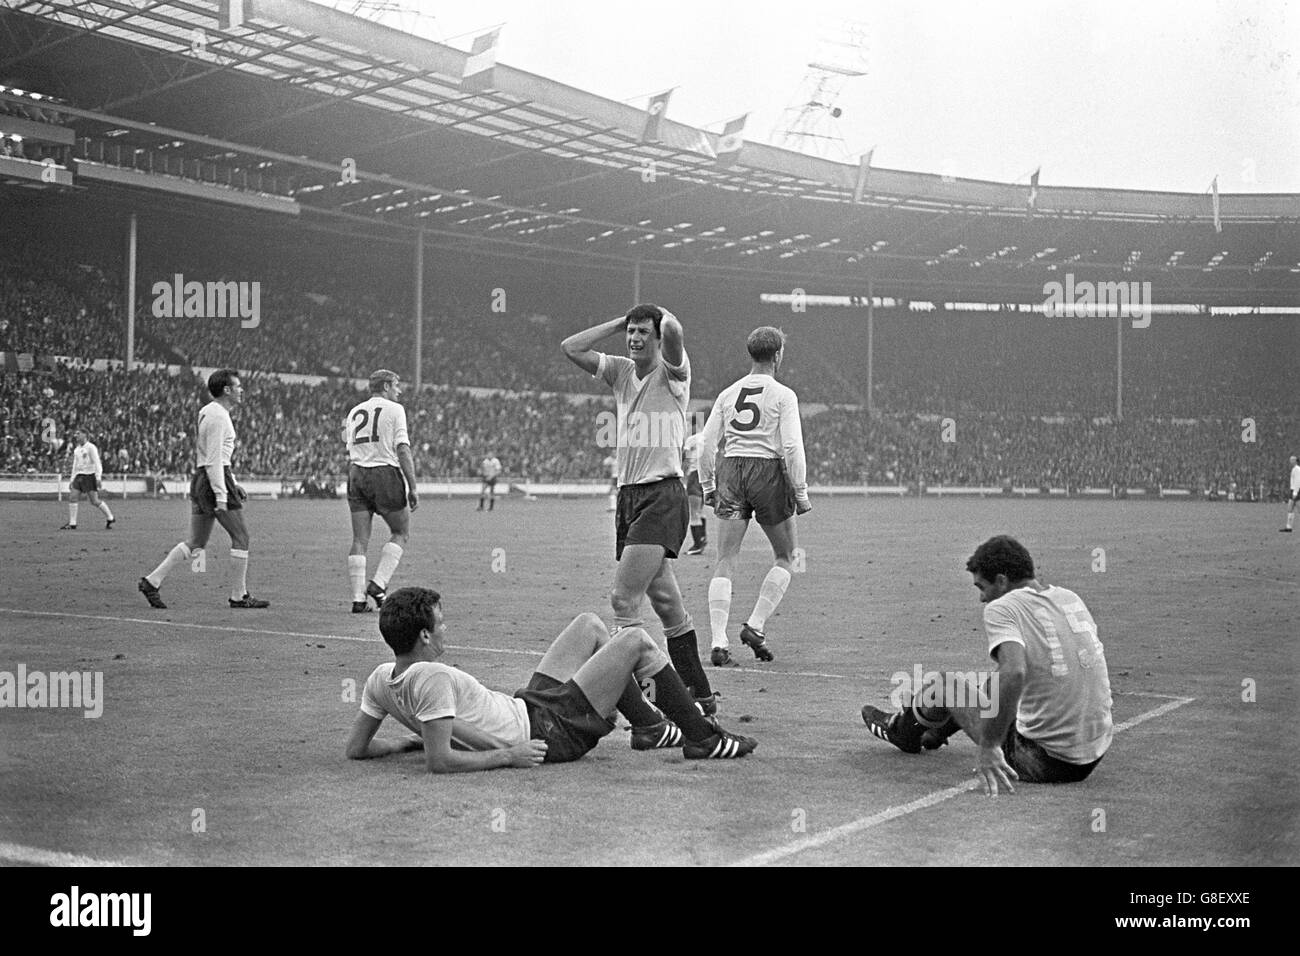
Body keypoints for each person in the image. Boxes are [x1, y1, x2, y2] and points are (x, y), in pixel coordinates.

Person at [344, 587, 757, 770]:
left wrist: (405, 739)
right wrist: (509, 755)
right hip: (547, 730)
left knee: (590, 625)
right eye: (441, 623)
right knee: (634, 641)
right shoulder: (431, 675)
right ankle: (702, 737)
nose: (447, 629)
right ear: (423, 636)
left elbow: (357, 749)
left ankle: (648, 728)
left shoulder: (381, 678)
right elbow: (441, 761)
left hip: (528, 706)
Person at [860, 535, 1113, 796]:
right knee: (993, 681)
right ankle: (935, 731)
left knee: (946, 684)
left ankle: (903, 730)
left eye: (982, 587)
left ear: (1002, 581)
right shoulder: (1068, 597)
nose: (982, 598)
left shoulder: (1003, 607)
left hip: (1045, 760)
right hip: (1092, 754)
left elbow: (1015, 672)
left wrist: (989, 745)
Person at [561, 304, 717, 716]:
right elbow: (570, 347)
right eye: (630, 331)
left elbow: (677, 330)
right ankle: (699, 695)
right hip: (629, 497)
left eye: (642, 332)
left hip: (661, 495)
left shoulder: (674, 373)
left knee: (622, 601)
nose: (634, 338)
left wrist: (662, 316)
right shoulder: (619, 370)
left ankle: (643, 712)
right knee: (668, 606)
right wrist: (616, 323)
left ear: (658, 335)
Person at [698, 327, 811, 666]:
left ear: (751, 355)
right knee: (786, 556)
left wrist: (707, 485)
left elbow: (706, 444)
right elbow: (791, 445)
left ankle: (719, 641)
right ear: (777, 355)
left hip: (732, 470)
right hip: (767, 472)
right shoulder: (783, 395)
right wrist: (801, 491)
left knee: (725, 558)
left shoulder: (727, 394)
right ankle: (756, 625)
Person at [138, 369, 269, 610]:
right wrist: (222, 493)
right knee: (241, 537)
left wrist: (233, 482)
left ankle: (151, 581)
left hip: (202, 478)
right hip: (212, 479)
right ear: (227, 390)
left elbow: (214, 457)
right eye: (238, 386)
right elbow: (215, 459)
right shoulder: (219, 416)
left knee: (197, 542)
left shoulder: (208, 412)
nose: (242, 390)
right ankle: (239, 595)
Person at [344, 370, 418, 613]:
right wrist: (412, 486)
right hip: (384, 473)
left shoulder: (355, 411)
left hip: (356, 473)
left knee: (359, 540)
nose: (399, 390)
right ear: (386, 386)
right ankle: (378, 584)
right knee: (400, 531)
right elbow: (403, 449)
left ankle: (357, 599)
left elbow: (351, 446)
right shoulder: (395, 409)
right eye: (397, 385)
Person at [61, 429, 115, 530]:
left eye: (79, 434)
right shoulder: (77, 449)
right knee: (72, 497)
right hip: (79, 476)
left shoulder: (91, 447)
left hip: (89, 476)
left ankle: (110, 517)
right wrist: (72, 480)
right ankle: (73, 524)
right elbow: (75, 466)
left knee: (94, 501)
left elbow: (97, 463)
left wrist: (98, 477)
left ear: (85, 435)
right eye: (76, 434)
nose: (76, 436)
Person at [682, 415, 707, 555]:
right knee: (700, 510)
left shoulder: (691, 439)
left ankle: (697, 545)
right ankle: (703, 539)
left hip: (694, 475)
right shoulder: (707, 438)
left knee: (693, 513)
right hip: (706, 476)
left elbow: (684, 460)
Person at [1280, 454, 1299, 532]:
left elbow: (1298, 481)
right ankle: (1288, 527)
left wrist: (1295, 493)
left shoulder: (1297, 469)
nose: (1290, 461)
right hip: (1293, 490)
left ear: (1295, 461)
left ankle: (1289, 527)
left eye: (1292, 460)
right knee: (1290, 508)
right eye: (1290, 460)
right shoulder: (1294, 469)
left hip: (1296, 491)